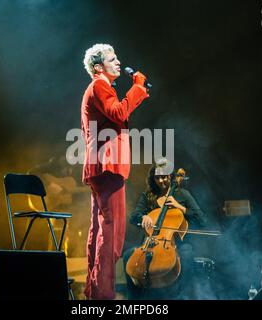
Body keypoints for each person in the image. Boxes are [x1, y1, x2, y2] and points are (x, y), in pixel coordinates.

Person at [81, 43, 149, 299]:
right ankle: (102, 296)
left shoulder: (99, 87)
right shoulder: (99, 85)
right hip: (107, 167)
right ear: (99, 67)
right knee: (111, 236)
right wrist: (138, 88)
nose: (119, 62)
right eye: (113, 58)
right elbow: (119, 113)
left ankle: (93, 291)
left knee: (99, 231)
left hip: (100, 167)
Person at [123, 159, 207, 299]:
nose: (161, 181)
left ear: (170, 176)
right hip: (150, 243)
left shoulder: (182, 195)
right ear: (153, 178)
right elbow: (134, 216)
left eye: (164, 177)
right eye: (157, 177)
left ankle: (184, 297)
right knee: (127, 256)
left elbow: (202, 219)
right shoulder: (148, 196)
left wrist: (179, 207)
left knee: (186, 254)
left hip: (176, 244)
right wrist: (143, 217)